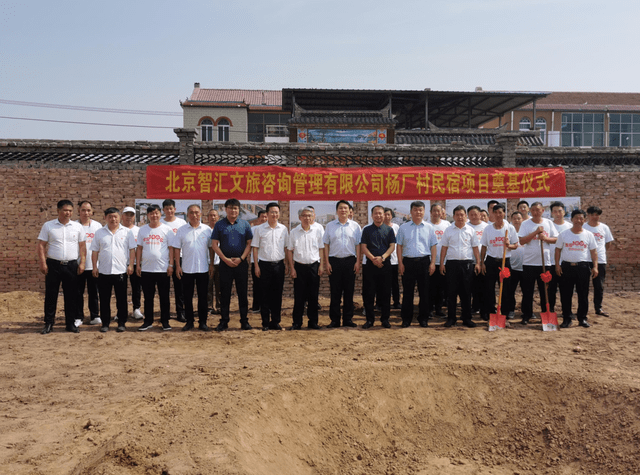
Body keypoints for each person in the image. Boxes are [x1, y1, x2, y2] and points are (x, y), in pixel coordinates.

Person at [37, 200, 87, 334]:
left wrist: (82, 263)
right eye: (65, 210)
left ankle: (70, 323)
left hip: (71, 265)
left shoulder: (77, 227)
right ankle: (48, 323)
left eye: (70, 210)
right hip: (53, 265)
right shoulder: (49, 226)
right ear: (58, 210)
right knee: (51, 295)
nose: (68, 213)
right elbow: (41, 245)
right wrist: (43, 262)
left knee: (71, 296)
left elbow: (82, 246)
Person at [211, 198, 253, 331]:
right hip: (225, 264)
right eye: (230, 208)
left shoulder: (245, 224)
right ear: (226, 209)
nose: (233, 210)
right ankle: (224, 321)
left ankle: (244, 321)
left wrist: (241, 258)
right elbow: (214, 245)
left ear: (238, 210)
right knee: (225, 294)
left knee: (242, 293)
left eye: (235, 208)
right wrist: (225, 259)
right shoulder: (220, 225)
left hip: (241, 264)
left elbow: (249, 244)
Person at [170, 204, 212, 331]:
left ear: (200, 214)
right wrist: (178, 266)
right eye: (192, 213)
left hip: (203, 268)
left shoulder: (207, 229)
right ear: (187, 215)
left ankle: (203, 322)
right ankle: (189, 321)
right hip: (187, 268)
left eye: (196, 212)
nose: (194, 215)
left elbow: (211, 248)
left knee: (203, 297)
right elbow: (177, 249)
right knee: (187, 297)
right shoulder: (182, 230)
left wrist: (211, 265)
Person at [396, 201, 437, 327]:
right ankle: (406, 319)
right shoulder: (404, 227)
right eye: (415, 209)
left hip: (424, 262)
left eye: (420, 210)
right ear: (411, 211)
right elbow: (399, 246)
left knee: (424, 292)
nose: (418, 212)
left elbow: (433, 246)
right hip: (408, 262)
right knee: (407, 292)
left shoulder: (429, 227)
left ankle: (423, 318)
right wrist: (400, 263)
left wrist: (433, 263)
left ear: (424, 212)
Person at [132, 204, 173, 331]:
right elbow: (139, 248)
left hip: (162, 269)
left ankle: (165, 321)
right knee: (148, 297)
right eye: (151, 213)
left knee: (164, 297)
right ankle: (148, 321)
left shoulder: (167, 230)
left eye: (156, 213)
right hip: (146, 269)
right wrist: (138, 264)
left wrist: (171, 265)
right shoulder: (142, 230)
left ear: (160, 214)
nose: (154, 215)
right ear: (148, 215)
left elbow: (171, 249)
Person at [555, 209, 598, 328]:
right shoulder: (564, 234)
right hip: (566, 267)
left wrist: (595, 267)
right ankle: (567, 319)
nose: (578, 220)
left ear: (584, 220)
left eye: (581, 218)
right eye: (576, 218)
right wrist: (557, 265)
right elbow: (557, 250)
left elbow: (593, 252)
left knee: (583, 294)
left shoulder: (589, 235)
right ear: (572, 219)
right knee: (565, 294)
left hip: (583, 268)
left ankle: (582, 318)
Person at [439, 205, 481, 328]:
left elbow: (475, 248)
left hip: (467, 264)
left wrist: (478, 262)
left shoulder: (470, 230)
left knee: (466, 293)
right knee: (451, 293)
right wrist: (442, 263)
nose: (460, 217)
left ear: (465, 216)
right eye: (457, 215)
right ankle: (451, 318)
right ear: (454, 216)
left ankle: (467, 318)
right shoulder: (449, 230)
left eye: (462, 214)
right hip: (452, 264)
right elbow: (444, 247)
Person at [518, 202, 558, 325]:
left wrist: (545, 238)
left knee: (545, 291)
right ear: (530, 211)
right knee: (528, 291)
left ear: (542, 210)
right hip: (529, 263)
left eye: (538, 210)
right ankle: (527, 314)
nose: (536, 212)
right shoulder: (525, 224)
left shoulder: (549, 223)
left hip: (545, 263)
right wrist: (535, 233)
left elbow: (556, 239)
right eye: (533, 210)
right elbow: (522, 240)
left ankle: (546, 313)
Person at [91, 208, 131, 332]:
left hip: (120, 271)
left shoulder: (126, 232)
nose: (113, 219)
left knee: (122, 299)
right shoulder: (99, 233)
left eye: (115, 216)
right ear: (105, 218)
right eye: (110, 216)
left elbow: (132, 249)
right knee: (104, 299)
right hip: (104, 271)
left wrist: (131, 265)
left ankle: (121, 322)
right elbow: (95, 251)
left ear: (119, 217)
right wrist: (94, 267)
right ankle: (105, 323)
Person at [323, 200, 361, 328]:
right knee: (335, 292)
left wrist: (357, 262)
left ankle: (348, 319)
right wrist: (327, 262)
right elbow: (326, 245)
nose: (343, 210)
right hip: (334, 261)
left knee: (349, 292)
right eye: (341, 208)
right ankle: (334, 320)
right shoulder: (330, 226)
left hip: (350, 261)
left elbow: (358, 245)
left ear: (349, 211)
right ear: (337, 211)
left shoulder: (355, 226)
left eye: (345, 208)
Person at [252, 202, 289, 331]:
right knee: (264, 295)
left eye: (276, 212)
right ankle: (265, 323)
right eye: (272, 212)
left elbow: (286, 247)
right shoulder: (259, 229)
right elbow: (255, 249)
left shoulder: (283, 229)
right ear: (267, 214)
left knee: (277, 295)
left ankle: (276, 322)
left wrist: (288, 265)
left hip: (279, 265)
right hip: (264, 265)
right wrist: (256, 266)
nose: (274, 214)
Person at [480, 204, 519, 322]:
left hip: (504, 261)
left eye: (500, 212)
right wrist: (482, 262)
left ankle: (505, 312)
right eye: (495, 212)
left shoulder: (509, 228)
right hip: (491, 261)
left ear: (504, 213)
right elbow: (484, 247)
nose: (498, 215)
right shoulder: (488, 228)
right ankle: (490, 311)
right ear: (492, 213)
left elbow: (515, 245)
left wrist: (508, 245)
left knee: (505, 288)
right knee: (489, 288)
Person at [287, 207, 325, 330]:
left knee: (313, 296)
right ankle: (297, 323)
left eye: (309, 215)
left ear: (313, 217)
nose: (307, 218)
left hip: (314, 266)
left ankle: (313, 322)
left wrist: (321, 265)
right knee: (299, 297)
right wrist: (292, 268)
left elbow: (321, 249)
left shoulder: (317, 231)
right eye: (304, 216)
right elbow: (289, 251)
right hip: (299, 267)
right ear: (299, 218)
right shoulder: (294, 232)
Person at [360, 205, 396, 328]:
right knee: (369, 293)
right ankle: (370, 320)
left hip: (385, 264)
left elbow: (392, 246)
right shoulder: (367, 230)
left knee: (385, 293)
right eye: (376, 213)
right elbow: (363, 247)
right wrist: (373, 259)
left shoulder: (389, 230)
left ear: (384, 215)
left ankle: (385, 319)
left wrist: (383, 257)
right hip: (370, 265)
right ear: (372, 215)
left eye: (381, 213)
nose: (378, 215)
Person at [583, 206, 614, 317]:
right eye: (592, 214)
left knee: (599, 286)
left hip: (600, 260)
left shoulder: (604, 228)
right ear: (588, 215)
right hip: (585, 259)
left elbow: (608, 243)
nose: (595, 217)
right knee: (583, 286)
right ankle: (583, 310)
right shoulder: (584, 227)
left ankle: (598, 308)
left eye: (597, 215)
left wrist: (600, 253)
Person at [76, 200, 102, 326]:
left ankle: (95, 315)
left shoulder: (97, 226)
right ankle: (78, 317)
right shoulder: (74, 225)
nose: (86, 213)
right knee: (77, 293)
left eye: (88, 210)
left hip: (93, 266)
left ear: (92, 212)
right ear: (78, 211)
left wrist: (97, 265)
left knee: (93, 292)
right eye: (83, 210)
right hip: (77, 265)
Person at [161, 199, 187, 323]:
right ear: (163, 210)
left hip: (180, 258)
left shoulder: (181, 223)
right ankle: (164, 313)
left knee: (180, 287)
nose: (169, 211)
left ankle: (180, 312)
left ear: (175, 210)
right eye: (166, 209)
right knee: (164, 288)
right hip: (164, 259)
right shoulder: (160, 223)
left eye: (171, 208)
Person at [121, 206, 144, 320]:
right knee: (120, 289)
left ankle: (136, 309)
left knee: (136, 287)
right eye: (127, 214)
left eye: (131, 215)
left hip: (135, 263)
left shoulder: (139, 230)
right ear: (122, 216)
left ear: (135, 217)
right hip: (120, 264)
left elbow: (140, 248)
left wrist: (138, 263)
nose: (129, 217)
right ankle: (121, 311)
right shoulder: (118, 229)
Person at [549, 202, 572, 314]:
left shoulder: (570, 227)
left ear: (564, 212)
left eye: (560, 211)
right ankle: (550, 310)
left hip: (565, 262)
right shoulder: (548, 225)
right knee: (550, 289)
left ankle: (566, 311)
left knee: (566, 289)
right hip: (550, 262)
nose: (557, 214)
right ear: (551, 213)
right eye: (555, 211)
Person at [428, 204, 449, 318]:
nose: (436, 213)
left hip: (443, 261)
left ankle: (439, 309)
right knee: (430, 287)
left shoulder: (447, 225)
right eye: (434, 211)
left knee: (441, 288)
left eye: (438, 211)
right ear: (430, 212)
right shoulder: (427, 225)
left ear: (442, 213)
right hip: (430, 261)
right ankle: (429, 309)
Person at [467, 205, 488, 315]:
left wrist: (482, 261)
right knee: (472, 286)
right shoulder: (465, 226)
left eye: (476, 214)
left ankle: (484, 309)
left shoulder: (487, 227)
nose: (474, 216)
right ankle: (474, 307)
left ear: (480, 214)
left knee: (484, 286)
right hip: (470, 261)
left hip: (484, 261)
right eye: (471, 214)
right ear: (468, 216)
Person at [506, 211, 525, 319]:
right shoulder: (509, 231)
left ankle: (526, 311)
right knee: (510, 290)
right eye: (514, 218)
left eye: (519, 218)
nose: (517, 220)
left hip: (525, 266)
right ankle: (510, 310)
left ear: (522, 219)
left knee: (527, 291)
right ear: (511, 220)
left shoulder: (526, 230)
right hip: (512, 266)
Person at [250, 210, 268, 313]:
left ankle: (266, 306)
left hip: (266, 260)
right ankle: (256, 306)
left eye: (266, 217)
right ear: (258, 218)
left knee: (267, 285)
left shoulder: (269, 229)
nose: (264, 219)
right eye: (262, 217)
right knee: (257, 284)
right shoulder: (253, 229)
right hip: (255, 261)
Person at [384, 208, 401, 309]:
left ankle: (396, 301)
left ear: (392, 216)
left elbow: (399, 243)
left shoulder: (396, 227)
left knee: (395, 282)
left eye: (388, 215)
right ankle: (381, 303)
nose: (387, 217)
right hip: (383, 259)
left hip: (394, 259)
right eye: (385, 214)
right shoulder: (379, 227)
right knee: (383, 283)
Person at [206, 209, 221, 315]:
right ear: (207, 218)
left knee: (220, 286)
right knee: (208, 286)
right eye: (211, 215)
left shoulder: (221, 229)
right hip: (207, 262)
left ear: (218, 217)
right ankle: (209, 306)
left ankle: (220, 306)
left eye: (215, 215)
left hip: (220, 262)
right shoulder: (205, 230)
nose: (213, 217)